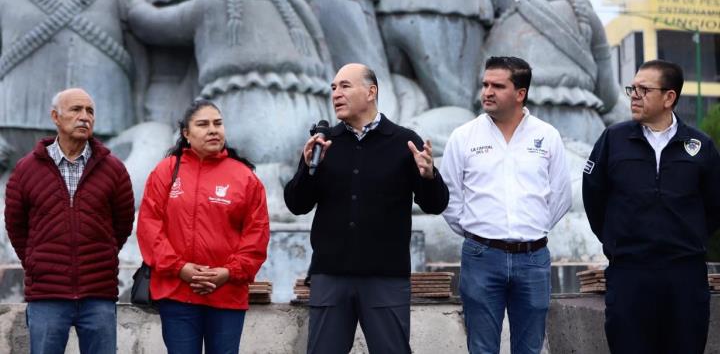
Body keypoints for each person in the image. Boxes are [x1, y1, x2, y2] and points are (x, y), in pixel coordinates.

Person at [284, 63, 449, 354]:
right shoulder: (325, 144)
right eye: (334, 87)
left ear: (371, 91)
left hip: (385, 278)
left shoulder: (404, 142)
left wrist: (429, 176)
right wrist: (307, 169)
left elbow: (436, 204)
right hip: (330, 276)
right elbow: (297, 205)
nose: (336, 93)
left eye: (345, 86)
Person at [583, 59, 720, 354]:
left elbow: (714, 205)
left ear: (669, 97)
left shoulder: (700, 145)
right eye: (633, 87)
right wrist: (615, 240)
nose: (634, 95)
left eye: (644, 89)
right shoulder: (613, 140)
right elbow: (594, 197)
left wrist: (689, 239)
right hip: (630, 273)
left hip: (685, 277)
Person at [441, 56, 572, 354]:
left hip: (533, 258)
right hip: (481, 257)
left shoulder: (546, 136)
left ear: (520, 93)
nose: (487, 91)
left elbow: (561, 195)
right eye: (485, 84)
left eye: (497, 86)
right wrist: (479, 231)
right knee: (482, 348)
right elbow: (449, 196)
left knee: (530, 349)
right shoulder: (464, 136)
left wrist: (531, 227)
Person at [4, 88, 135, 354]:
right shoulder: (26, 169)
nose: (84, 117)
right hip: (47, 294)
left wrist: (105, 254)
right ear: (55, 116)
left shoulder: (113, 169)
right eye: (76, 110)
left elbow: (123, 224)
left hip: (98, 294)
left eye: (90, 111)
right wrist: (34, 260)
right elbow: (16, 226)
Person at [137, 99, 270, 354]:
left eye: (218, 123)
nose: (213, 129)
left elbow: (256, 235)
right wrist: (180, 268)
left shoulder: (245, 177)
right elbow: (149, 228)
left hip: (226, 295)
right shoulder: (166, 172)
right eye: (203, 124)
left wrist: (227, 272)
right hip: (176, 293)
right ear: (186, 133)